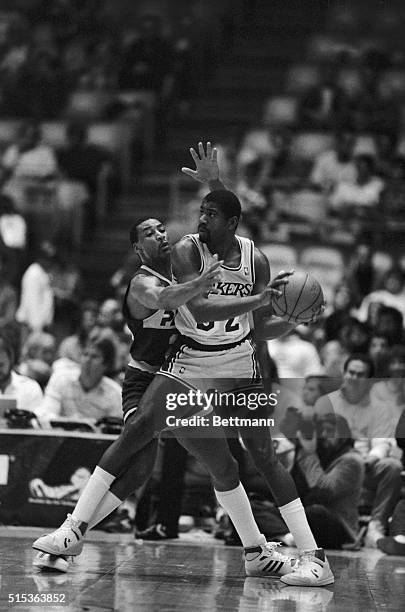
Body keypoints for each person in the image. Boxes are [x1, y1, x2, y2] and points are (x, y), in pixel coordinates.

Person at [33, 143, 333, 586]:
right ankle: (72, 528)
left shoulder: (257, 260)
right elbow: (207, 308)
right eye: (200, 213)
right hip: (190, 362)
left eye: (209, 214)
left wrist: (288, 320)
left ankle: (312, 557)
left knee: (261, 457)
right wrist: (262, 301)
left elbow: (256, 328)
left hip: (238, 367)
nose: (199, 220)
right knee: (142, 435)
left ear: (230, 222)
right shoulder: (186, 255)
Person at [314, 353, 402, 546]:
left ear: (369, 380)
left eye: (360, 374)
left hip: (367, 463)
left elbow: (382, 444)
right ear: (343, 373)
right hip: (334, 464)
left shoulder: (380, 408)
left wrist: (366, 461)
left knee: (393, 466)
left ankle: (376, 525)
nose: (353, 378)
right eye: (350, 372)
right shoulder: (325, 403)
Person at [36, 336, 122, 424]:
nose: (87, 360)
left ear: (106, 365)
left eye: (94, 357)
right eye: (85, 354)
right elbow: (46, 413)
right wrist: (69, 422)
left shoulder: (115, 394)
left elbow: (116, 428)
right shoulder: (61, 379)